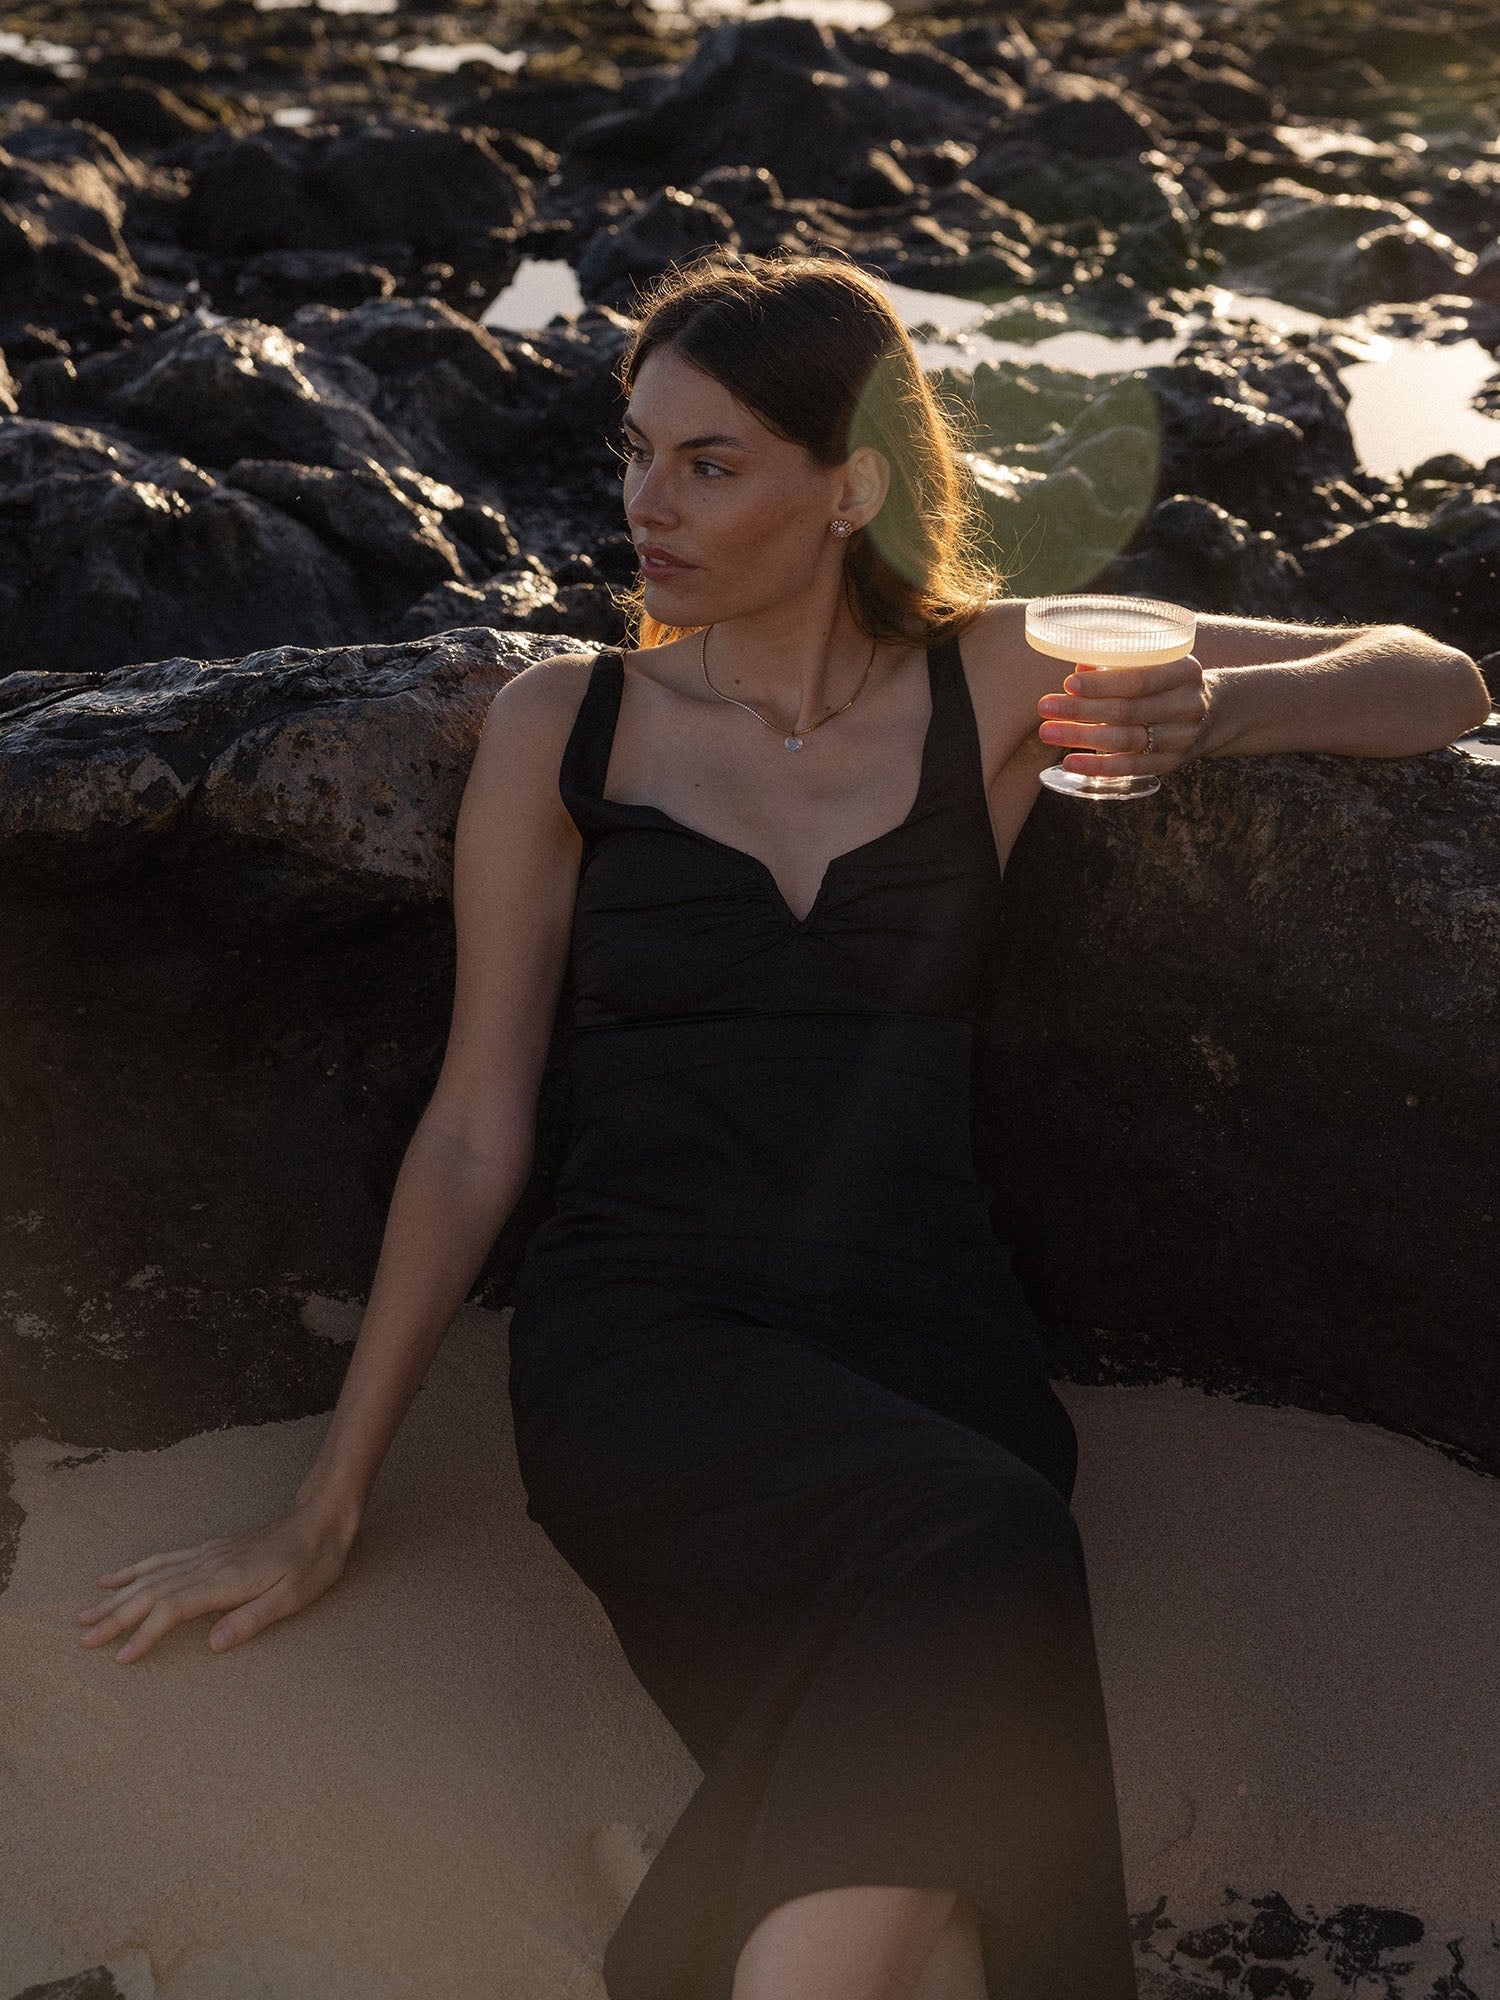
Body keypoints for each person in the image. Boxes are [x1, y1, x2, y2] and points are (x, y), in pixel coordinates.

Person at [75, 249, 1489, 2000]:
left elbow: (1439, 677)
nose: (644, 504)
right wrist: (327, 1501)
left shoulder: (997, 675)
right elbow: (470, 1127)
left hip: (930, 1342)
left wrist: (1219, 708)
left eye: (710, 462)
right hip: (653, 1350)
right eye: (636, 452)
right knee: (983, 1559)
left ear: (855, 487)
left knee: (942, 1836)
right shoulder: (567, 727)